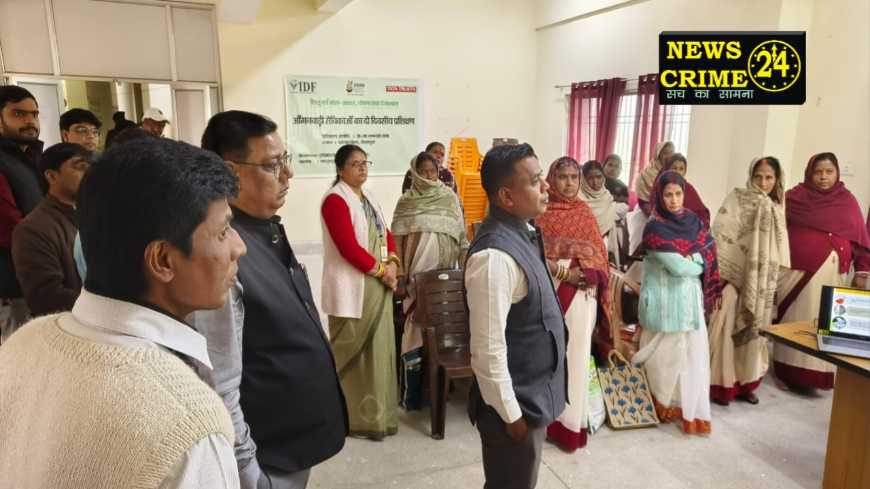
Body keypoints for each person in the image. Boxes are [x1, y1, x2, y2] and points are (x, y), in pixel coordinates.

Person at [0, 137, 245, 487]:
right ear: (162, 260)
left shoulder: (23, 343)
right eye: (223, 231)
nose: (239, 247)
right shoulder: (188, 424)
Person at [196, 111, 347, 489]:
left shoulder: (264, 228)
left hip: (294, 444)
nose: (287, 174)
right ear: (230, 172)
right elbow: (220, 385)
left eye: (285, 160)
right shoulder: (224, 253)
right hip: (267, 455)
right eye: (272, 165)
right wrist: (250, 475)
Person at [465, 143, 567, 489]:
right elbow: (487, 349)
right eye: (536, 181)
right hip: (514, 412)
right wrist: (512, 417)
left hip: (530, 401)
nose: (547, 186)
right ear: (506, 197)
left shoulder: (523, 232)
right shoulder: (494, 257)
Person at [633, 170, 721, 436]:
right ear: (659, 196)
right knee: (664, 360)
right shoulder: (655, 228)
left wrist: (695, 258)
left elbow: (709, 248)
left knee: (690, 358)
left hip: (690, 303)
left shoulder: (693, 221)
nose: (673, 200)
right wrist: (698, 261)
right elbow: (679, 267)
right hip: (664, 305)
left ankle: (682, 405)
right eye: (668, 194)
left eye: (678, 194)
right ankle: (659, 404)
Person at [773, 152, 870, 391]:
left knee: (825, 323)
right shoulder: (794, 198)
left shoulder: (847, 201)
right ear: (809, 173)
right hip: (798, 274)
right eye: (818, 172)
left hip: (833, 276)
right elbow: (774, 226)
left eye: (829, 171)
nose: (823, 177)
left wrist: (863, 271)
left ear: (837, 173)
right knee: (797, 321)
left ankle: (818, 375)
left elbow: (861, 241)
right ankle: (789, 371)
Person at [321, 144, 399, 440]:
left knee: (379, 352)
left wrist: (392, 263)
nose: (363, 168)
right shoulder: (335, 200)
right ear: (341, 169)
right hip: (353, 288)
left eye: (365, 162)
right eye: (356, 164)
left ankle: (381, 418)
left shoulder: (369, 198)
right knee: (355, 356)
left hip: (378, 286)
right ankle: (353, 419)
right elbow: (347, 247)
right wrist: (381, 271)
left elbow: (385, 234)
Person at [536, 156, 609, 452]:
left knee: (576, 357)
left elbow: (600, 257)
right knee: (549, 356)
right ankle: (546, 420)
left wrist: (589, 274)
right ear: (552, 179)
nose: (569, 183)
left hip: (582, 297)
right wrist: (567, 274)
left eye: (573, 177)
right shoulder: (541, 213)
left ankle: (570, 425)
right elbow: (534, 257)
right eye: (563, 177)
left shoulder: (584, 213)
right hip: (551, 293)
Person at [708, 157, 790, 406]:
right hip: (733, 280)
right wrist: (727, 275)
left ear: (777, 180)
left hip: (761, 283)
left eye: (769, 177)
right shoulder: (737, 198)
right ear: (750, 177)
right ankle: (722, 385)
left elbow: (778, 249)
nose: (763, 183)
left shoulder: (777, 207)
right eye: (758, 177)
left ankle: (747, 384)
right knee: (727, 329)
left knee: (755, 333)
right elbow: (722, 233)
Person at [391, 151, 467, 409]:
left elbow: (461, 237)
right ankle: (412, 393)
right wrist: (401, 275)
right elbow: (396, 240)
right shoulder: (406, 201)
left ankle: (442, 389)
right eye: (422, 171)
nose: (427, 175)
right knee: (415, 328)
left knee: (442, 330)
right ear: (414, 173)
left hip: (444, 276)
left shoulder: (449, 198)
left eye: (432, 171)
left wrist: (464, 271)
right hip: (415, 278)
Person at [12, 143, 91, 316]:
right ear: (52, 176)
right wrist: (103, 306)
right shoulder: (32, 229)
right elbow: (45, 297)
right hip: (70, 325)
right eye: (80, 166)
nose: (89, 173)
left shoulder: (95, 215)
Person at [0, 85, 43, 343]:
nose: (30, 121)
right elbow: (9, 227)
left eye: (34, 114)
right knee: (14, 351)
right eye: (19, 114)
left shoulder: (32, 158)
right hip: (10, 283)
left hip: (33, 275)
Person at [579, 159, 620, 264]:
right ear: (583, 179)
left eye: (599, 177)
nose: (595, 182)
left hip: (604, 247)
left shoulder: (606, 196)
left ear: (603, 177)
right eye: (590, 178)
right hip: (581, 250)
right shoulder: (578, 198)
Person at [658, 153, 711, 229]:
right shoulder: (660, 187)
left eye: (681, 169)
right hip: (665, 227)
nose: (678, 172)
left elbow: (701, 212)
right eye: (674, 168)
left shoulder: (688, 188)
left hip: (688, 228)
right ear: (668, 169)